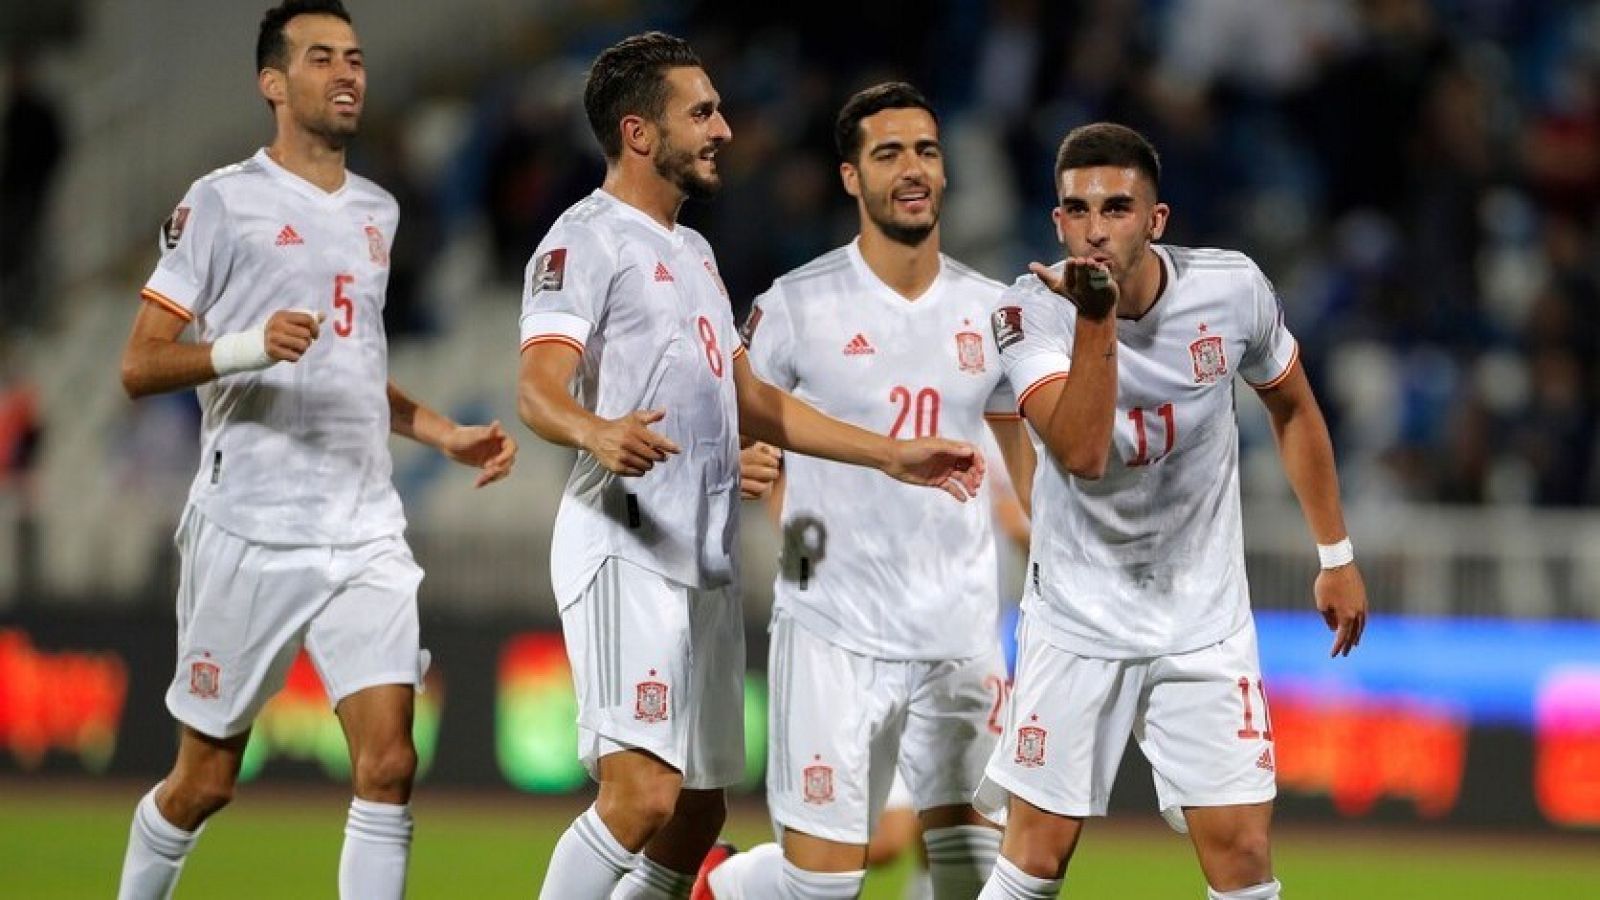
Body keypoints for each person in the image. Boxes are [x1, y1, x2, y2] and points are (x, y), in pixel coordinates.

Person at [516, 35, 985, 900]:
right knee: (642, 793)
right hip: (625, 541)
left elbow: (755, 402)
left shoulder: (692, 253)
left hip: (702, 557)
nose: (724, 128)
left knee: (698, 815)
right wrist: (595, 431)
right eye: (701, 112)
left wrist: (890, 454)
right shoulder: (585, 240)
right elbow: (538, 389)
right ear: (639, 132)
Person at [114, 3, 517, 898]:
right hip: (250, 527)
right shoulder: (220, 202)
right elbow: (138, 366)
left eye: (357, 59)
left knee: (389, 766)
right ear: (273, 83)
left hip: (364, 527)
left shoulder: (378, 210)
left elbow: (352, 364)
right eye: (323, 57)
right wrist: (249, 344)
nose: (348, 74)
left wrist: (440, 429)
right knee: (206, 781)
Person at [972, 122, 1368, 900]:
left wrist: (1336, 554)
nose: (1095, 228)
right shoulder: (1029, 313)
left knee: (1243, 852)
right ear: (1056, 222)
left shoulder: (1232, 290)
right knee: (1036, 856)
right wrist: (1094, 320)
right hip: (1078, 620)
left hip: (1204, 619)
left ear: (1157, 221)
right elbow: (1083, 452)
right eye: (1077, 210)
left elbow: (1293, 407)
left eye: (1117, 208)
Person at [699, 82, 1034, 900]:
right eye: (888, 153)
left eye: (926, 150)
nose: (912, 168)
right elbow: (732, 418)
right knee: (827, 887)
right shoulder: (794, 307)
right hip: (833, 634)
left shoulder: (993, 314)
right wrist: (739, 468)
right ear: (852, 178)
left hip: (959, 638)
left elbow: (1025, 467)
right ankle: (719, 887)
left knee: (974, 873)